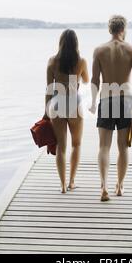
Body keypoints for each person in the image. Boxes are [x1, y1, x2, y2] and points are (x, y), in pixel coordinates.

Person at [89, 15, 132, 201]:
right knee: (123, 147)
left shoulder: (99, 50)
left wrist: (92, 101)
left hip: (106, 99)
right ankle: (119, 187)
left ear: (109, 29)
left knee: (104, 146)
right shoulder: (131, 49)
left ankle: (104, 187)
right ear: (124, 29)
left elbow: (95, 80)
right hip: (125, 100)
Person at [44, 29, 89, 193]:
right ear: (76, 43)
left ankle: (62, 186)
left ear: (60, 43)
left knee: (61, 148)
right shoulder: (81, 61)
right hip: (74, 104)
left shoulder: (52, 61)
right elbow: (86, 80)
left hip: (56, 104)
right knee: (76, 144)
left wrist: (45, 112)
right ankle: (71, 182)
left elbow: (49, 89)